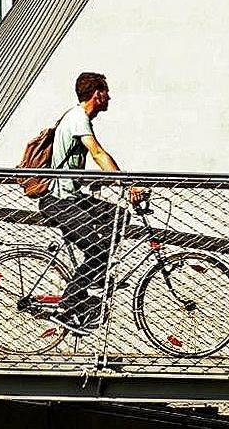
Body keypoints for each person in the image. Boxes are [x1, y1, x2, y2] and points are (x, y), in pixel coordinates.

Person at [39, 72, 146, 336]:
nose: (110, 96)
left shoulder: (78, 118)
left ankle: (96, 275)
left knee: (119, 216)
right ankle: (71, 301)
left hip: (71, 197)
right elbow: (97, 152)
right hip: (59, 201)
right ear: (96, 94)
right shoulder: (78, 119)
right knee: (99, 248)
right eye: (106, 91)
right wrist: (127, 184)